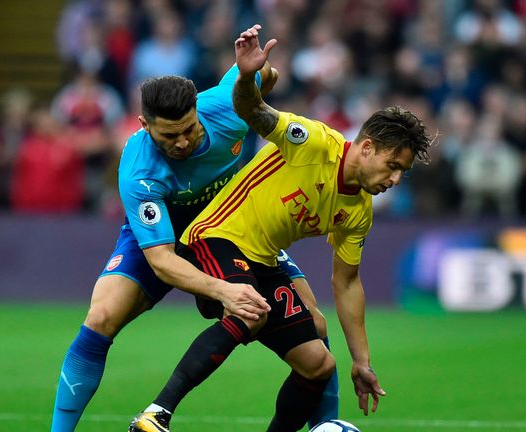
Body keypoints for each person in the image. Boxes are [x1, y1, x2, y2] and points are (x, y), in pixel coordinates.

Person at [129, 24, 432, 432]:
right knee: (250, 308)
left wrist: (361, 361)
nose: (394, 179)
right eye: (393, 165)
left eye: (403, 173)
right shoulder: (313, 142)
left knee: (318, 362)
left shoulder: (358, 210)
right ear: (366, 147)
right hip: (216, 236)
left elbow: (347, 283)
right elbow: (252, 112)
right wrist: (248, 76)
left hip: (264, 258)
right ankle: (155, 415)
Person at [50, 56, 340, 430]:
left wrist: (256, 71)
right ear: (144, 125)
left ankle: (329, 426)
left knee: (315, 324)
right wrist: (223, 291)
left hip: (233, 230)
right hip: (165, 237)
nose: (183, 142)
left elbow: (265, 76)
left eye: (190, 129)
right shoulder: (139, 170)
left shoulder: (224, 106)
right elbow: (161, 261)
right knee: (101, 317)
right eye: (169, 136)